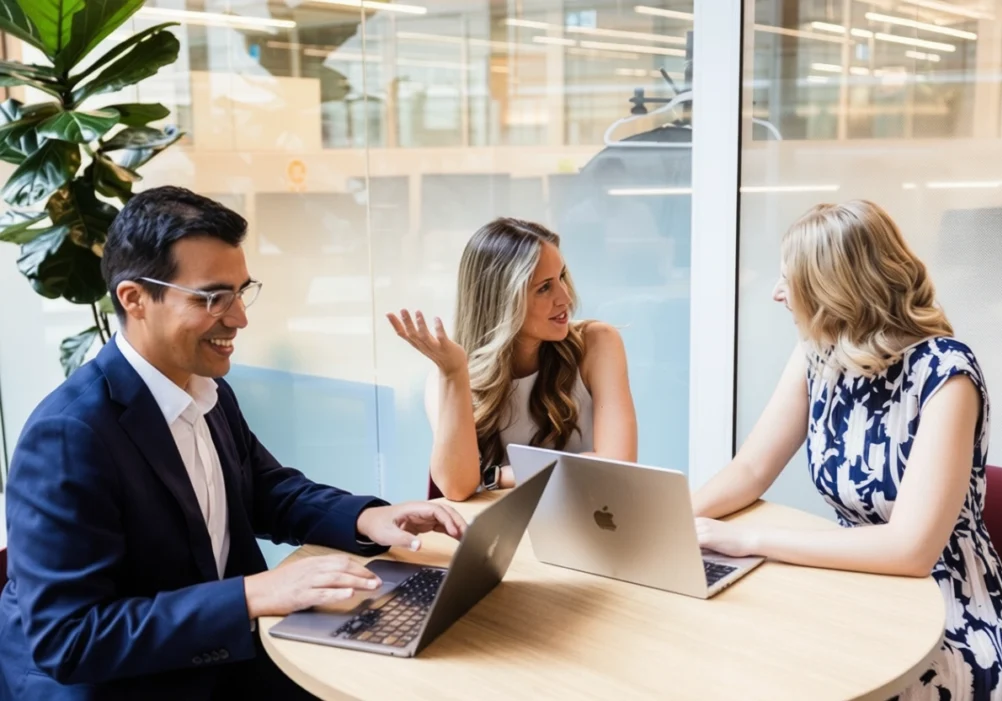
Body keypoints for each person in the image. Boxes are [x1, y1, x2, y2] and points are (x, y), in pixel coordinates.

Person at [0, 186, 466, 701]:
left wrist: (368, 519)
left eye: (242, 292)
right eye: (212, 298)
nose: (240, 317)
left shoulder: (206, 388)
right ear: (135, 299)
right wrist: (251, 595)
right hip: (123, 686)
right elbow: (70, 639)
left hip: (214, 655)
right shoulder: (69, 435)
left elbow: (265, 490)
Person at [692, 200, 1002, 700]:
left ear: (836, 291)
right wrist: (670, 522)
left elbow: (909, 550)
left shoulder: (944, 374)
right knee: (744, 658)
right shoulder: (816, 353)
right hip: (857, 586)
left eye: (791, 281)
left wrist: (749, 539)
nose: (778, 294)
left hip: (952, 610)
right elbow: (752, 467)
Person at [387, 217, 638, 502]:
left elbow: (618, 466)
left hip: (589, 519)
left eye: (562, 278)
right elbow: (456, 487)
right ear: (501, 300)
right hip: (504, 531)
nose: (565, 297)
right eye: (544, 287)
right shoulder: (448, 375)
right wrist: (454, 372)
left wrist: (495, 476)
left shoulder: (596, 343)